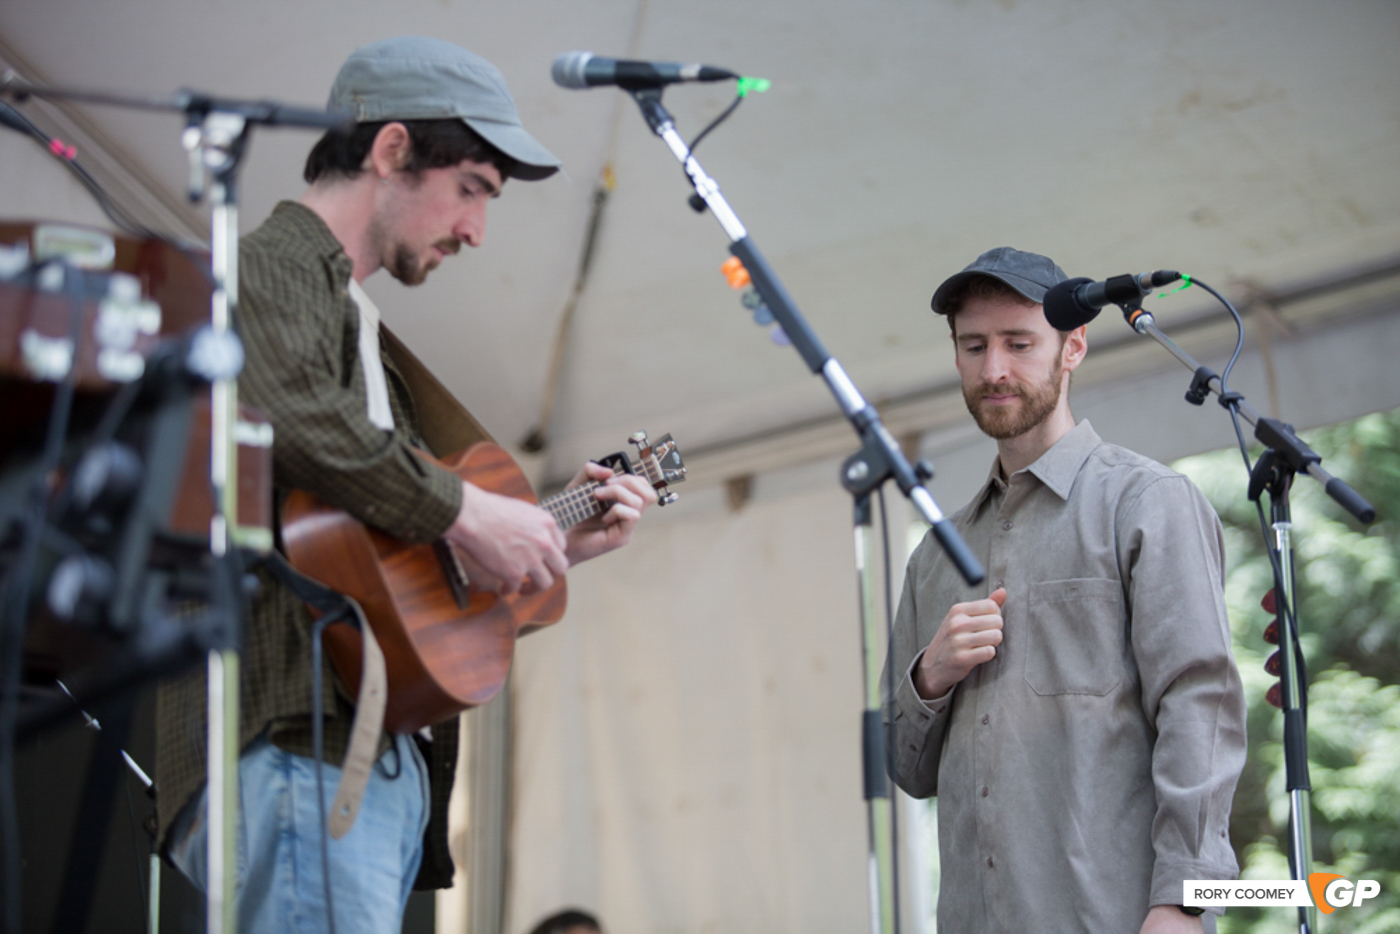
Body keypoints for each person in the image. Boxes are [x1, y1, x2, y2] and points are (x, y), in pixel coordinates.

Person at [154, 37, 657, 932]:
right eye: (472, 189)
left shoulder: (367, 335)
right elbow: (287, 413)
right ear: (390, 151)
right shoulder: (270, 263)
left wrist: (546, 547)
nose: (477, 231)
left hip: (358, 757)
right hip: (298, 746)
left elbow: (393, 572)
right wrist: (468, 509)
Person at [882, 247, 1247, 934]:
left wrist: (1184, 900)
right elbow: (908, 772)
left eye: (1019, 344)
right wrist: (929, 676)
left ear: (1073, 346)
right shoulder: (935, 555)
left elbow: (1202, 706)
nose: (994, 369)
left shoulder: (1148, 502)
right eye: (974, 346)